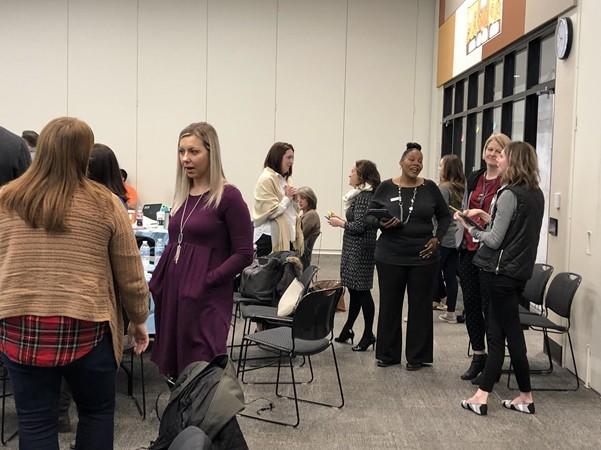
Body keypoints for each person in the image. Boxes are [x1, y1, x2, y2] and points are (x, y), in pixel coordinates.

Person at [0, 117, 149, 450]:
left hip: (19, 327)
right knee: (96, 413)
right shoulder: (105, 203)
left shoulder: (5, 199)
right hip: (87, 326)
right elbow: (130, 274)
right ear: (85, 155)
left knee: (35, 422)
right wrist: (139, 319)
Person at [149, 122, 253, 378]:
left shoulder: (228, 196)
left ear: (211, 153)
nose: (185, 158)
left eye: (194, 151)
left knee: (202, 368)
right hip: (176, 295)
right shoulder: (184, 194)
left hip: (206, 300)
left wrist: (207, 280)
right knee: (177, 370)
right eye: (181, 151)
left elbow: (244, 253)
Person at [458, 141, 544, 416]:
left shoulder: (508, 193)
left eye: (503, 154)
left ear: (513, 160)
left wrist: (471, 228)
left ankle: (484, 396)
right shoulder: (536, 194)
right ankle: (520, 396)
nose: (499, 158)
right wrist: (486, 217)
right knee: (509, 334)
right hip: (517, 273)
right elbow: (514, 230)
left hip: (499, 272)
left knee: (499, 336)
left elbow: (495, 240)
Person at [367, 142, 451, 370]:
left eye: (420, 161)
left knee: (420, 306)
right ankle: (388, 354)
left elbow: (445, 216)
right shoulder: (386, 187)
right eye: (412, 160)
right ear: (401, 162)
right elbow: (370, 216)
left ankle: (418, 356)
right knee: (390, 305)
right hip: (390, 254)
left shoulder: (430, 188)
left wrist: (437, 238)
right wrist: (382, 222)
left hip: (423, 255)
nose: (416, 164)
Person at [457, 133, 511, 384]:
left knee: (489, 309)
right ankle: (478, 355)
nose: (492, 153)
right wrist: (463, 216)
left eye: (498, 151)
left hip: (490, 252)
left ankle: (493, 362)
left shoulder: (506, 181)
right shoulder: (475, 177)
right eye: (489, 148)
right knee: (471, 305)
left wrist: (481, 215)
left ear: (505, 155)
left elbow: (501, 221)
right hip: (468, 248)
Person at [329, 160, 381, 351]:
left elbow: (359, 226)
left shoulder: (364, 197)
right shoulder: (362, 195)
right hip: (357, 249)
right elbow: (360, 221)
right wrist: (341, 221)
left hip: (359, 251)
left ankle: (368, 335)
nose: (349, 174)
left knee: (362, 292)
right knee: (355, 291)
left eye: (353, 171)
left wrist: (340, 223)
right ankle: (348, 329)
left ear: (362, 176)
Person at [252, 142, 303, 257]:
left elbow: (294, 211)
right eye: (288, 157)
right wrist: (287, 198)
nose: (291, 162)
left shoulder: (286, 179)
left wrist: (295, 199)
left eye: (292, 158)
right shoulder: (266, 179)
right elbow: (271, 212)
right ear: (278, 157)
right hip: (269, 236)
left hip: (285, 235)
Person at [437, 155, 466, 324]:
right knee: (450, 276)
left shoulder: (444, 188)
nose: (439, 168)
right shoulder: (462, 188)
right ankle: (451, 312)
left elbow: (439, 215)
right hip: (456, 238)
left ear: (447, 168)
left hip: (442, 237)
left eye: (441, 165)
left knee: (430, 275)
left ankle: (420, 312)